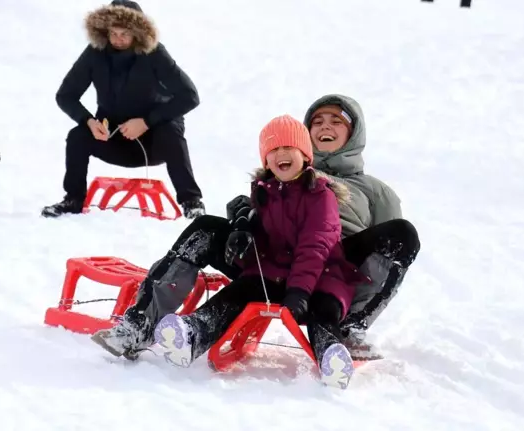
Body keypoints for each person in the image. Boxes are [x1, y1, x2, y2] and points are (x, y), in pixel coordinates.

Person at [91, 94, 420, 361]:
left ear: (354, 133)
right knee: (206, 226)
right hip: (271, 261)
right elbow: (266, 207)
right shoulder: (281, 168)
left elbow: (382, 257)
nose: (325, 126)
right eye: (317, 121)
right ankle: (140, 325)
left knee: (403, 234)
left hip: (329, 270)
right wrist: (243, 218)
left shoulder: (375, 191)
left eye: (336, 121)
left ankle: (348, 328)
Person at [151, 115, 363, 388]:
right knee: (240, 290)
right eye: (273, 150)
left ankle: (330, 355)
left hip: (320, 276)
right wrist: (242, 239)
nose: (281, 154)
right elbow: (258, 233)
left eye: (289, 148)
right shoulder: (264, 194)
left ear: (306, 156)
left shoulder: (320, 196)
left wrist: (298, 292)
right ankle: (194, 332)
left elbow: (315, 246)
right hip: (274, 272)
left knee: (323, 309)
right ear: (265, 161)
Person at [42, 0, 206, 219]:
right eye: (114, 33)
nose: (119, 39)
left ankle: (191, 201)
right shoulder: (94, 53)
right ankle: (73, 200)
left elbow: (190, 96)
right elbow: (65, 95)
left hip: (153, 142)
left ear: (138, 32)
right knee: (77, 136)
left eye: (125, 34)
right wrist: (89, 121)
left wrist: (147, 122)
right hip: (113, 138)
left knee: (171, 133)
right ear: (105, 31)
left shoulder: (155, 53)